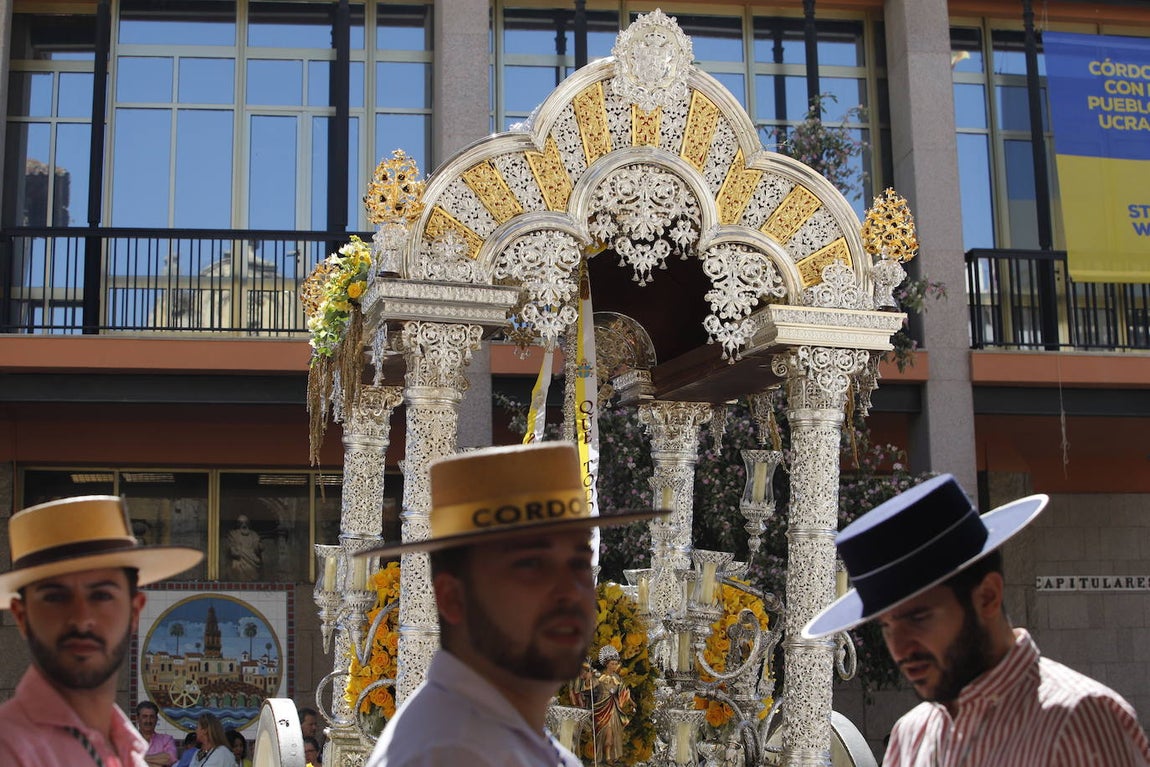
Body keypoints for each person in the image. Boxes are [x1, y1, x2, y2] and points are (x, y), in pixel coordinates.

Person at [804, 474, 1150, 766]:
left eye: (918, 617)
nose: (900, 648)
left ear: (987, 596)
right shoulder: (913, 734)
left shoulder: (1080, 718)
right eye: (887, 625)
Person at [363, 441, 667, 767]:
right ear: (453, 598)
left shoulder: (521, 746)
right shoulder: (448, 754)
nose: (569, 591)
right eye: (531, 566)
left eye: (578, 563)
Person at [0, 495, 203, 765]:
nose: (82, 620)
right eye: (55, 597)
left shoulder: (127, 748)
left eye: (101, 596)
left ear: (135, 611)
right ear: (21, 616)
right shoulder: (10, 750)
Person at [591, 645, 634, 765]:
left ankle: (610, 757)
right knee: (603, 735)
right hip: (602, 707)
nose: (615, 666)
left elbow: (623, 691)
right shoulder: (599, 676)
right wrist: (589, 679)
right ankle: (602, 757)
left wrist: (631, 702)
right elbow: (589, 686)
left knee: (612, 735)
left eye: (616, 664)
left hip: (613, 708)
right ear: (607, 664)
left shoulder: (617, 678)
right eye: (612, 664)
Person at [137, 700, 179, 766]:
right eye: (145, 716)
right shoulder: (127, 740)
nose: (148, 721)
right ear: (138, 719)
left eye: (152, 717)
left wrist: (138, 759)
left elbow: (170, 758)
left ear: (156, 719)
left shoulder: (166, 739)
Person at [226, 514, 263, 580]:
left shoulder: (254, 534)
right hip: (239, 561)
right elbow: (231, 547)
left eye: (245, 522)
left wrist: (259, 546)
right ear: (238, 524)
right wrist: (235, 551)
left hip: (253, 560)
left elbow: (258, 546)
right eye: (241, 523)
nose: (243, 524)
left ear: (248, 523)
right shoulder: (233, 534)